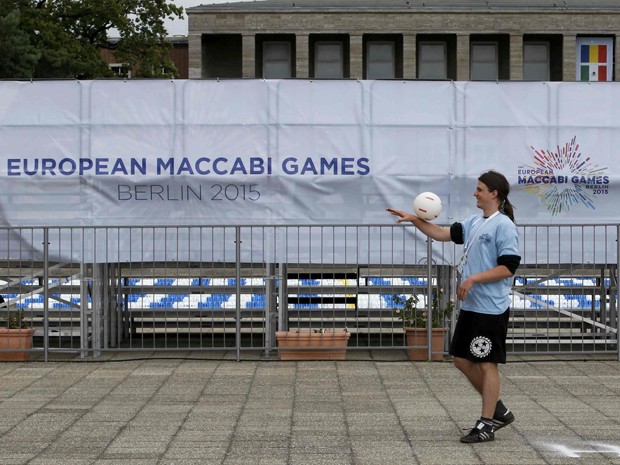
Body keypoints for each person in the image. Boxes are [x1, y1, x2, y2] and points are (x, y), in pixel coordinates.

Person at [386, 170, 521, 443]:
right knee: (460, 359)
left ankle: (486, 424)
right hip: (472, 306)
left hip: (491, 308)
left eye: (480, 189)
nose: (475, 193)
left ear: (494, 194)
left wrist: (473, 278)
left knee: (487, 363)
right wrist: (415, 220)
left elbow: (508, 267)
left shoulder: (504, 225)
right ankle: (497, 407)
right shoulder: (474, 222)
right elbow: (440, 233)